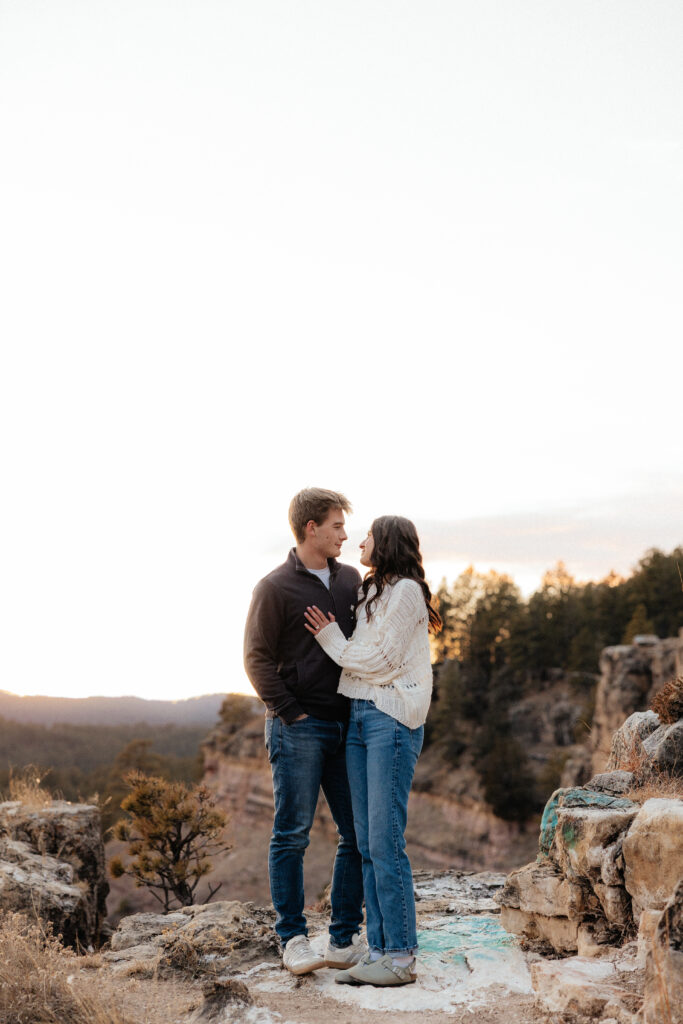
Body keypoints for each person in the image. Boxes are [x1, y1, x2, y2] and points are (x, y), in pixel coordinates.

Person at [304, 515, 441, 987]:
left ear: (386, 542)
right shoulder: (371, 591)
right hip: (359, 716)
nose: (358, 541)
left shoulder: (406, 590)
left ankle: (400, 957)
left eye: (366, 535)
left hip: (391, 719)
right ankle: (380, 949)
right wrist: (344, 651)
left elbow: (379, 661)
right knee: (365, 841)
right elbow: (362, 660)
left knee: (385, 840)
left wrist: (330, 640)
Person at [243, 488, 366, 976]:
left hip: (347, 725)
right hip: (298, 728)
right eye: (337, 525)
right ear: (311, 527)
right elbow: (255, 659)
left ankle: (341, 940)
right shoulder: (274, 588)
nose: (344, 534)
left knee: (356, 834)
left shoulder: (351, 579)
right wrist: (290, 712)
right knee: (292, 834)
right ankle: (292, 938)